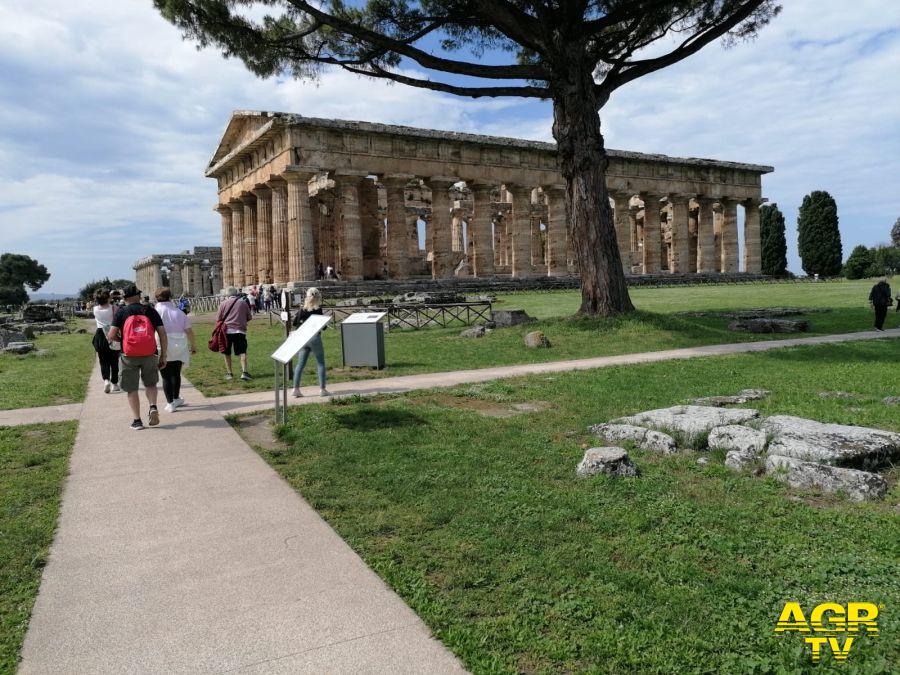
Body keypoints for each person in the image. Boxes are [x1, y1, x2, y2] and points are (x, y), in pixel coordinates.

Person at [107, 285, 167, 430]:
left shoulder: (121, 312)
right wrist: (163, 355)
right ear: (138, 296)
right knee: (151, 384)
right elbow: (162, 333)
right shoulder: (150, 310)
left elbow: (111, 334)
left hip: (129, 354)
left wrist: (121, 340)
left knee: (131, 389)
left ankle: (137, 421)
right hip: (149, 353)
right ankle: (152, 406)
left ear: (125, 298)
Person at [154, 287, 197, 412]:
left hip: (162, 344)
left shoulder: (155, 311)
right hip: (179, 344)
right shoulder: (179, 312)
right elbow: (189, 331)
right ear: (170, 296)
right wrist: (193, 345)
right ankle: (176, 397)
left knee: (166, 374)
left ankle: (170, 402)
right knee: (176, 373)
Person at [291, 287, 330, 397]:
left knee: (300, 364)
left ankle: (296, 389)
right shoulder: (318, 310)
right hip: (314, 338)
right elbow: (324, 327)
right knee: (320, 363)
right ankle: (322, 389)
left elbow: (295, 323)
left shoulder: (301, 310)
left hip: (303, 339)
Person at [216, 286, 253, 381]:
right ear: (236, 293)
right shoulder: (243, 303)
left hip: (227, 331)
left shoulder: (223, 304)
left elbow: (219, 318)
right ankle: (244, 372)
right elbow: (249, 317)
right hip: (240, 331)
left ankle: (229, 373)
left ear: (227, 295)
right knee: (242, 352)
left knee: (227, 352)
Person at [91, 288, 121, 393]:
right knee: (114, 360)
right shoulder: (114, 308)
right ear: (108, 298)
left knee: (103, 360)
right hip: (112, 333)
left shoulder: (95, 309)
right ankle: (115, 383)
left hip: (100, 334)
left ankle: (106, 380)